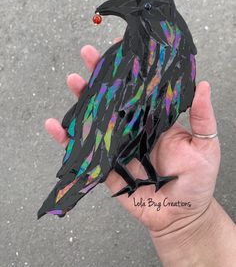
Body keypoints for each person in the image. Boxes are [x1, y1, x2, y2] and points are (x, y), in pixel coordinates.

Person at [45, 40, 236, 266]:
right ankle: (68, 192)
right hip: (120, 141)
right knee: (117, 156)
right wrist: (191, 223)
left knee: (128, 154)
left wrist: (190, 222)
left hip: (129, 144)